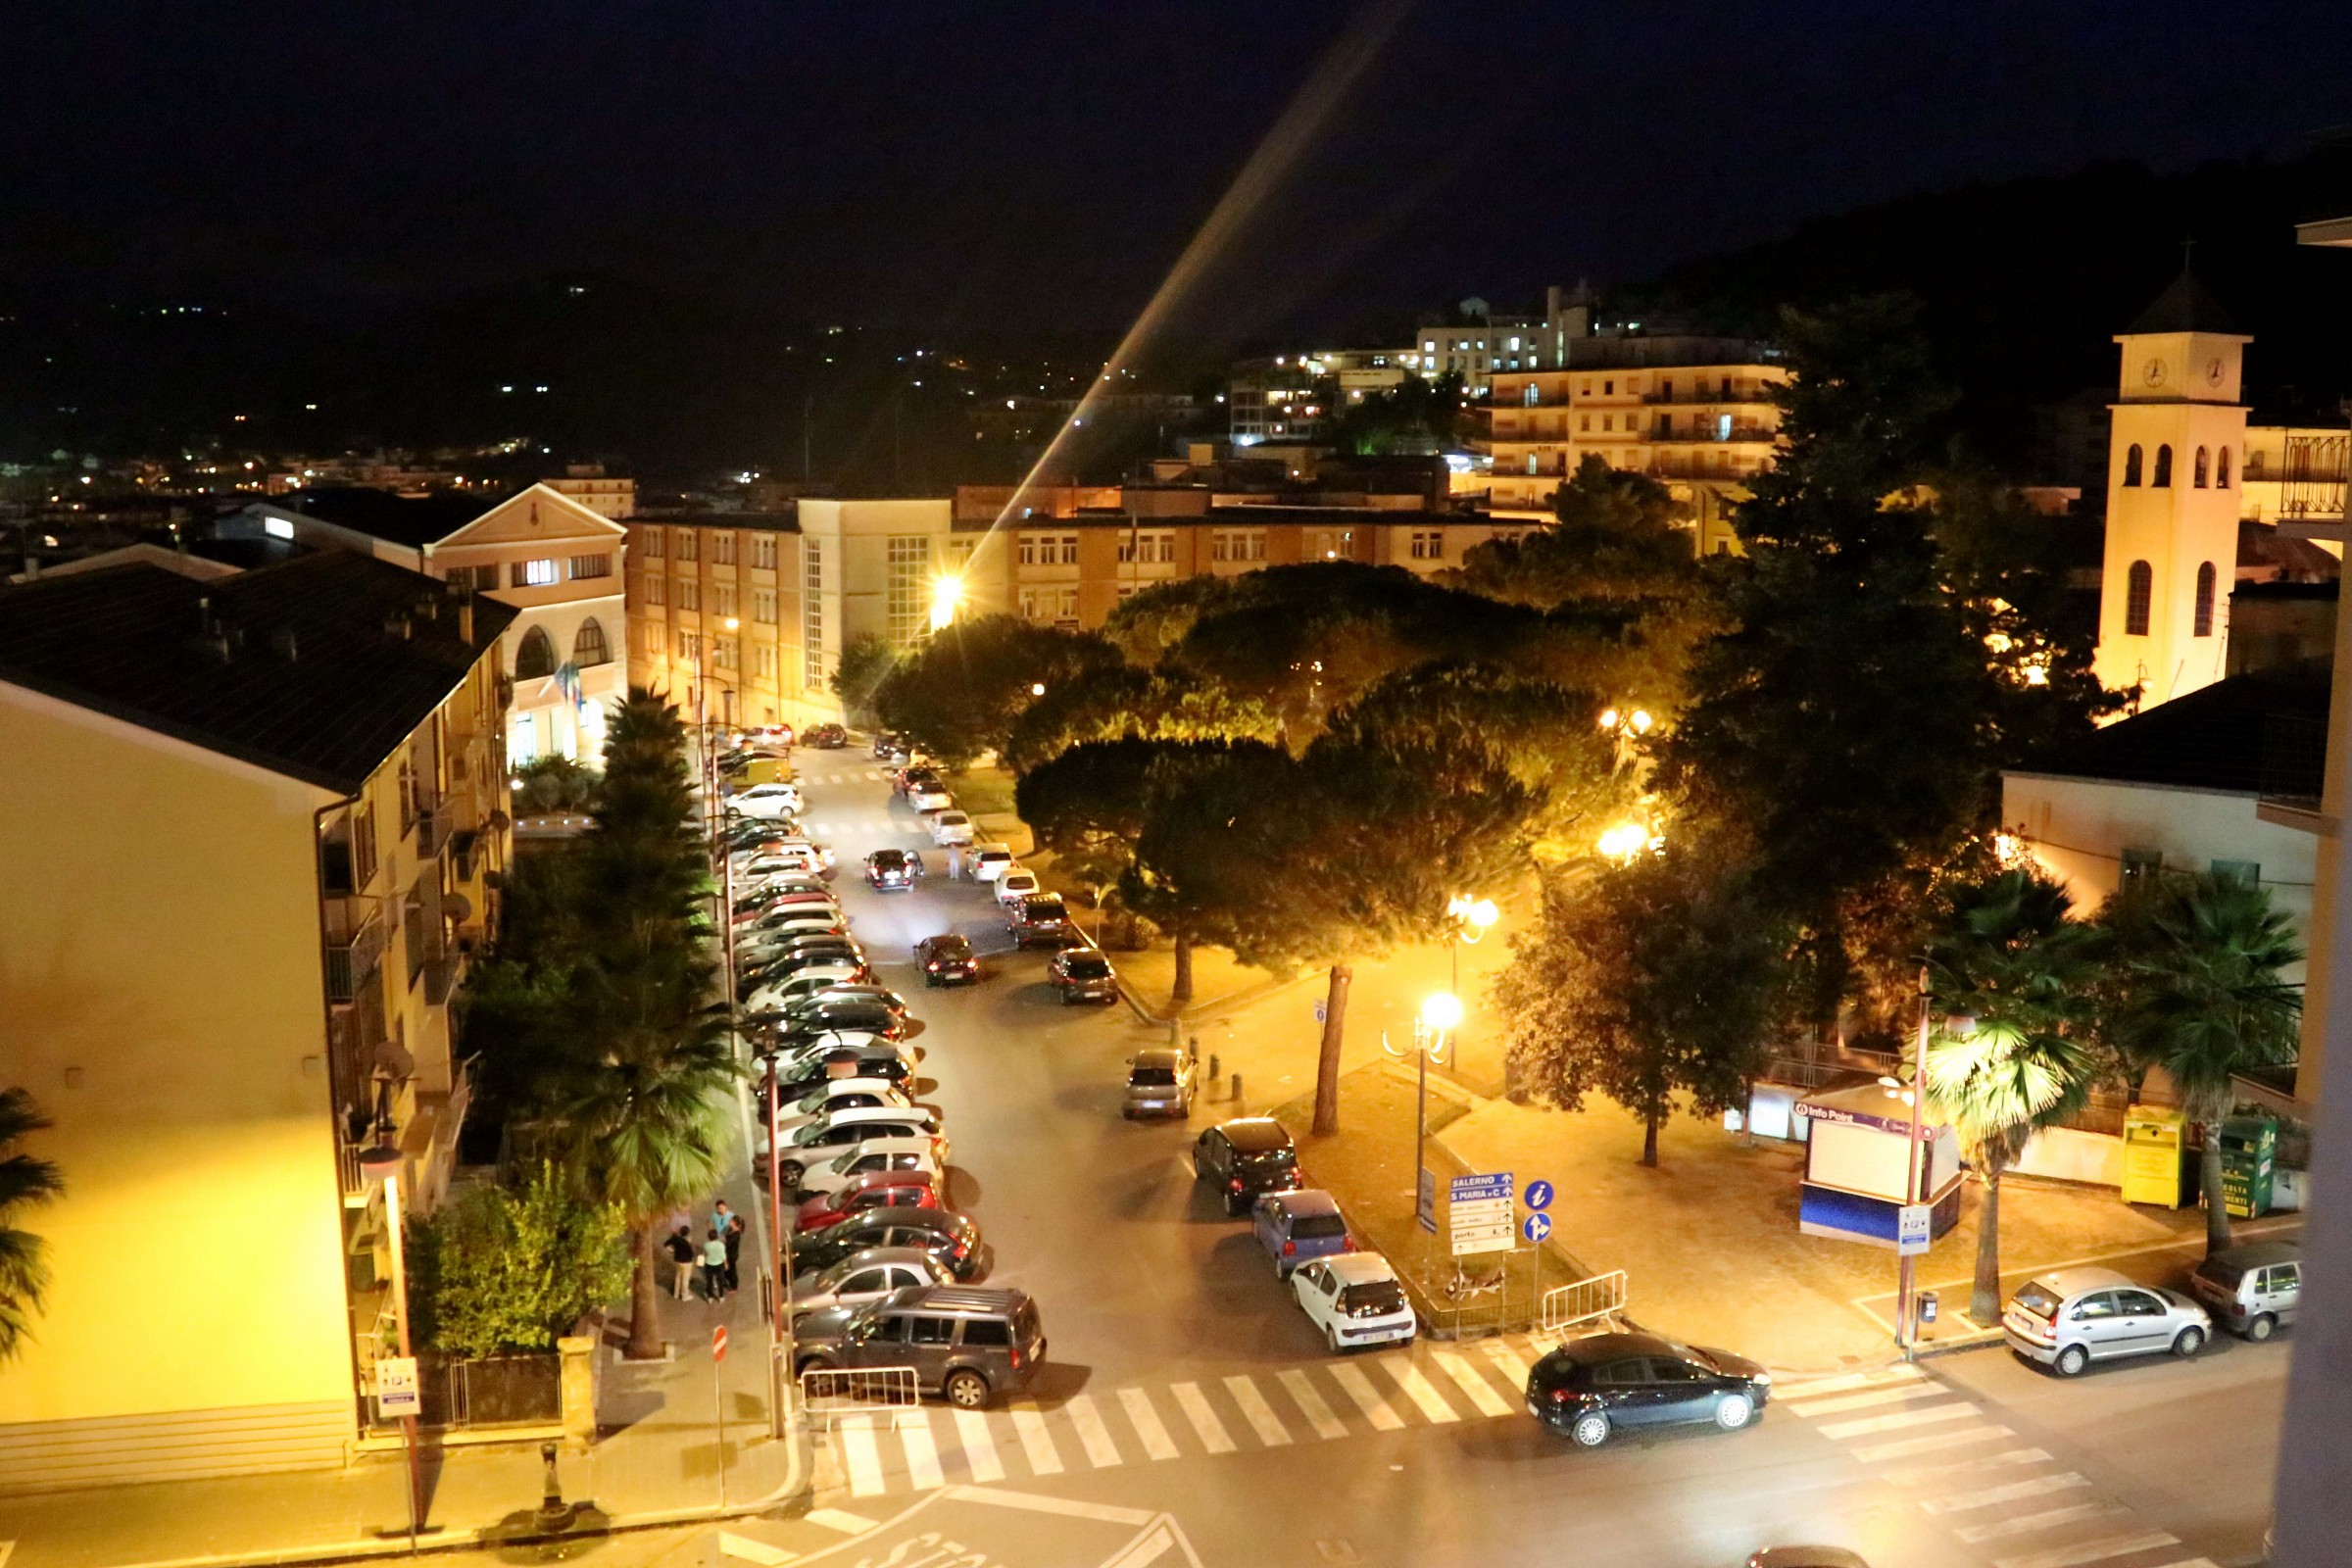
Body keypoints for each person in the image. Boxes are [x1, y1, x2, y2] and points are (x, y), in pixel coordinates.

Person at [665, 1224, 697, 1300]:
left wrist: (672, 1250)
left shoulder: (676, 1239)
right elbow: (691, 1254)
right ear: (687, 1234)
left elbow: (666, 1244)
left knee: (678, 1277)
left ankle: (676, 1294)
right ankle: (684, 1296)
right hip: (686, 1262)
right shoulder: (687, 1244)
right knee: (685, 1279)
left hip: (677, 1260)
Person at [701, 1228, 728, 1301]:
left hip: (709, 1264)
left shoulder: (706, 1245)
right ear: (716, 1237)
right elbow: (723, 1256)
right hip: (719, 1265)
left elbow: (705, 1253)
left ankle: (710, 1297)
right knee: (720, 1281)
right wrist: (726, 1264)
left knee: (709, 1281)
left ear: (708, 1237)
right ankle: (721, 1296)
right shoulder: (721, 1245)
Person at [723, 1212, 746, 1293]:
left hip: (731, 1255)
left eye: (731, 1220)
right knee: (727, 1269)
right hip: (727, 1253)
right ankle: (728, 1282)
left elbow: (728, 1244)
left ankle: (734, 1286)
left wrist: (724, 1242)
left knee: (732, 1270)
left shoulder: (736, 1234)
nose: (730, 1221)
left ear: (735, 1223)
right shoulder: (730, 1229)